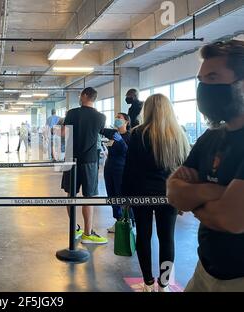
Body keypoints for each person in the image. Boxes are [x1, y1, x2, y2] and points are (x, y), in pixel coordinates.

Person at [167, 40, 244, 292]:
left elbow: (231, 218)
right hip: (205, 271)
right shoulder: (211, 137)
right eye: (201, 80)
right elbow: (173, 192)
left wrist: (193, 202)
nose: (204, 88)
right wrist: (212, 193)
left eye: (213, 78)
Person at [122, 94, 190, 292]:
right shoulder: (179, 135)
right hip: (169, 195)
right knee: (167, 238)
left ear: (147, 110)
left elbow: (130, 169)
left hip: (141, 193)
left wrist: (125, 196)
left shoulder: (138, 134)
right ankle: (164, 284)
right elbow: (184, 169)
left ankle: (148, 282)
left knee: (143, 236)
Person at [61, 87, 108, 244]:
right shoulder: (101, 117)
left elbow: (63, 133)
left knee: (71, 194)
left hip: (71, 158)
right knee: (89, 196)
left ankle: (74, 229)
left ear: (84, 95)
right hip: (89, 160)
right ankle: (88, 233)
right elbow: (99, 135)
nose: (79, 97)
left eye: (80, 95)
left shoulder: (72, 113)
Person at [104, 113, 132, 233]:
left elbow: (127, 152)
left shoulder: (129, 136)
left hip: (121, 169)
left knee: (122, 194)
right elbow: (100, 129)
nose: (117, 119)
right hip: (109, 167)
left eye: (119, 118)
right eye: (116, 117)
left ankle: (128, 221)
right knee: (111, 195)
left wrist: (121, 141)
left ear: (126, 122)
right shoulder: (112, 134)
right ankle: (118, 220)